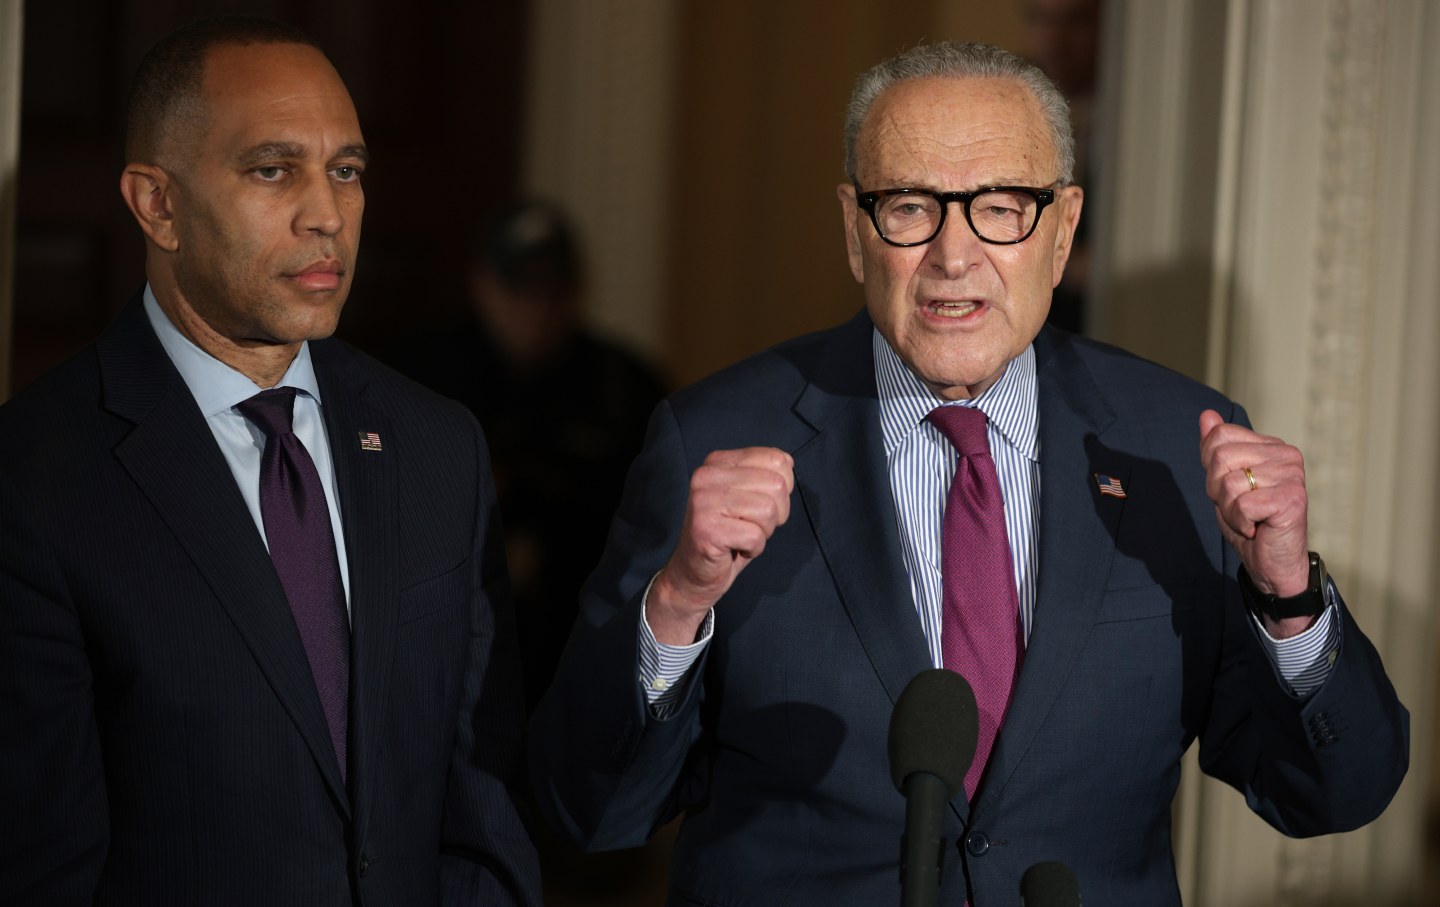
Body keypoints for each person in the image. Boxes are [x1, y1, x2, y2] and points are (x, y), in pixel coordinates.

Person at [527, 42, 1408, 905]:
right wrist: (677, 603)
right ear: (853, 228)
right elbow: (588, 805)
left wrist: (1289, 593)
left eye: (1000, 206)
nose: (953, 256)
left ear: (1061, 231)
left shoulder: (1175, 443)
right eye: (909, 206)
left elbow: (1336, 792)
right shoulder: (713, 435)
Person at [0, 16, 540, 906]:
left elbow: (482, 808)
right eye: (272, 169)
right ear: (157, 204)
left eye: (347, 171)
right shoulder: (36, 479)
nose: (326, 214)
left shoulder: (440, 446)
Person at [385, 200, 667, 715]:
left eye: (553, 291)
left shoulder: (623, 386)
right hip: (437, 646)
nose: (536, 310)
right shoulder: (415, 377)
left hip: (578, 645)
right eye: (519, 290)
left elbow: (658, 526)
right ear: (481, 283)